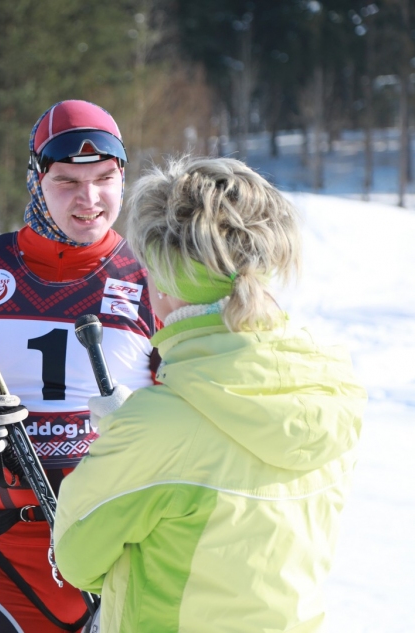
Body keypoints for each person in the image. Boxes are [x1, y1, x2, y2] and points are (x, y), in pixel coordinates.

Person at [53, 156, 367, 632]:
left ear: (164, 282)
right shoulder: (332, 385)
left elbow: (77, 559)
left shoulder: (152, 428)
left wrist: (130, 437)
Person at [0, 100, 157, 632]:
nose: (90, 199)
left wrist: (146, 424)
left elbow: (200, 420)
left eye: (105, 179)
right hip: (10, 562)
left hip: (128, 554)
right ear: (37, 179)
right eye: (67, 181)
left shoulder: (152, 276)